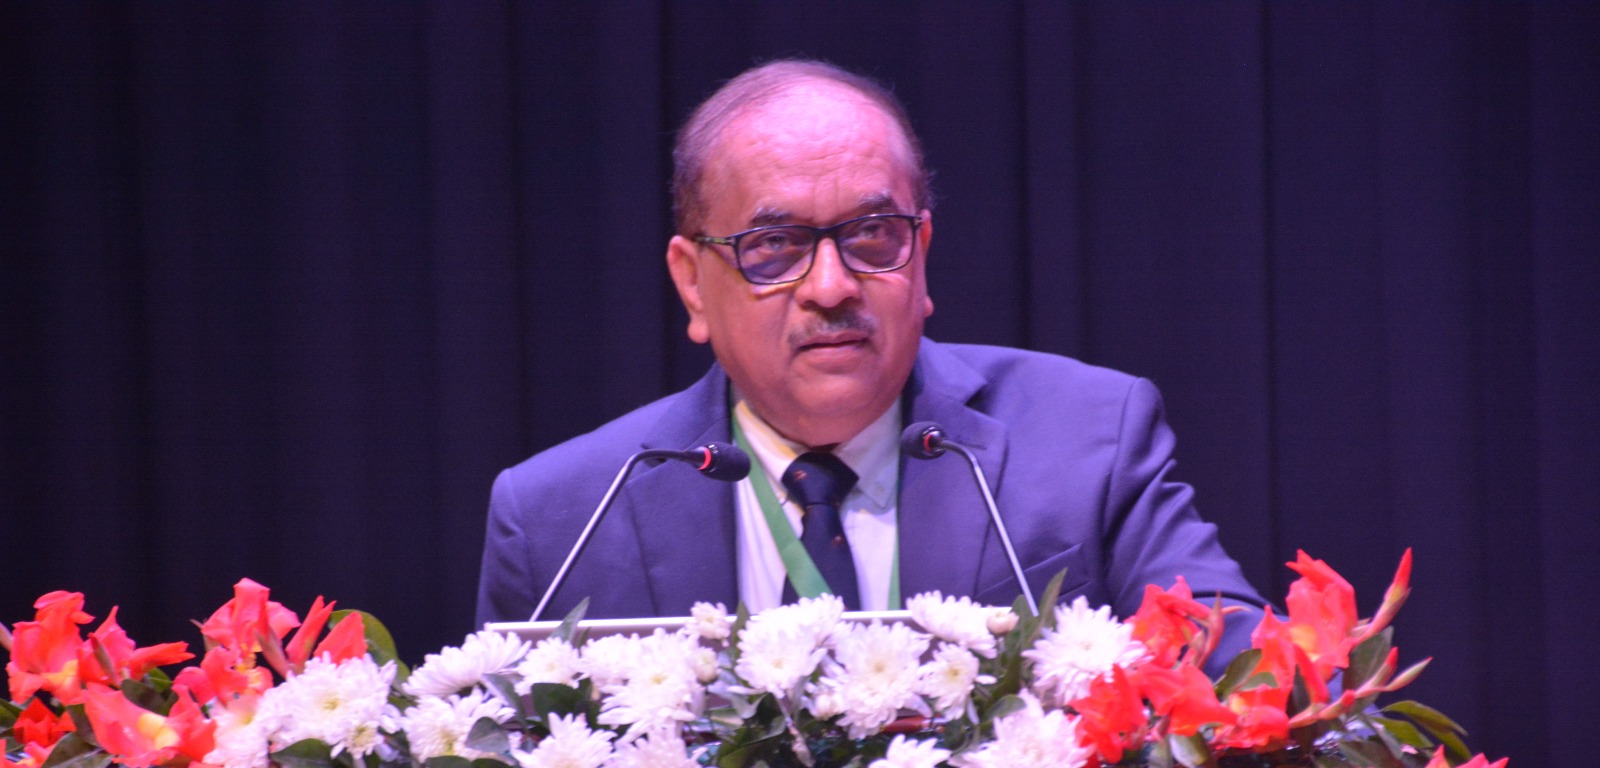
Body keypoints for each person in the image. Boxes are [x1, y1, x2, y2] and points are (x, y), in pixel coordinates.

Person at [476, 59, 1263, 657]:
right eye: (774, 245)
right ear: (692, 284)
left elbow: (1246, 680)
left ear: (922, 253)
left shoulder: (1088, 439)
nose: (831, 286)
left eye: (872, 235)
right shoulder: (560, 520)